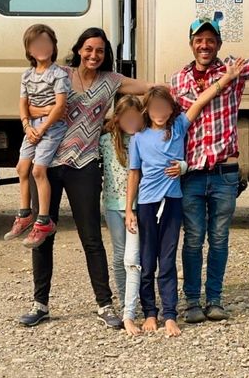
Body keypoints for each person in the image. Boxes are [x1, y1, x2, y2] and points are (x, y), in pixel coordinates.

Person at [17, 27, 155, 328]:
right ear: (79, 49)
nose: (94, 55)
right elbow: (28, 102)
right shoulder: (60, 73)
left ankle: (104, 304)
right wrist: (49, 111)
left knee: (91, 237)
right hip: (49, 163)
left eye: (101, 51)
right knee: (44, 234)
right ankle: (40, 303)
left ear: (106, 56)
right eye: (89, 49)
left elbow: (149, 89)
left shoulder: (112, 81)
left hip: (85, 165)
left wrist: (178, 88)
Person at [171, 0, 249, 324]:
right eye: (199, 40)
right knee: (194, 239)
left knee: (220, 239)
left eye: (211, 40)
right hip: (192, 175)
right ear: (191, 44)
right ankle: (192, 301)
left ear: (218, 43)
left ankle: (215, 299)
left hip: (225, 173)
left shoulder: (233, 71)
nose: (205, 46)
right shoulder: (178, 81)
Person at [125, 62, 241, 337]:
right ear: (147, 111)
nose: (160, 113)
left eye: (164, 108)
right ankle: (149, 312)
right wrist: (130, 209)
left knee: (167, 260)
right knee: (147, 259)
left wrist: (226, 78)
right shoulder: (139, 138)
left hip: (173, 202)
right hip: (146, 205)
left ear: (171, 109)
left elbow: (201, 100)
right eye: (154, 109)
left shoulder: (178, 126)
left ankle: (169, 315)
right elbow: (133, 174)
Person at [4, 24, 70, 248]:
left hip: (51, 128)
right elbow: (23, 104)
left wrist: (41, 128)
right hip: (31, 126)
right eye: (36, 44)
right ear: (29, 50)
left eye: (46, 43)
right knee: (22, 168)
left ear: (53, 46)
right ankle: (24, 214)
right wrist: (26, 125)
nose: (41, 48)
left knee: (38, 170)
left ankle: (44, 220)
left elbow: (60, 107)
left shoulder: (59, 74)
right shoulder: (27, 75)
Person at [99, 95, 146, 335]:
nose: (130, 122)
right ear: (117, 119)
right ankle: (125, 298)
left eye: (134, 118)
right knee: (119, 256)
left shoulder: (143, 139)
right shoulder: (107, 141)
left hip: (136, 206)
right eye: (125, 118)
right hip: (112, 205)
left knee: (134, 258)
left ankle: (133, 303)